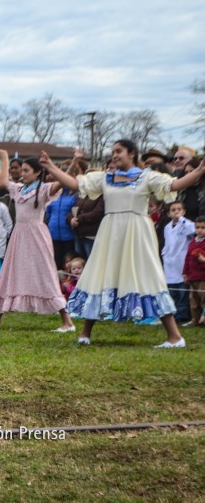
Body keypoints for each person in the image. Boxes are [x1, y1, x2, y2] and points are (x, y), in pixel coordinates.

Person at [41, 139, 205, 348]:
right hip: (110, 233)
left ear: (132, 153)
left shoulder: (147, 177)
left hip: (137, 233)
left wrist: (199, 171)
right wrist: (51, 167)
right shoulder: (105, 178)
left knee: (148, 277)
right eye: (113, 152)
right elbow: (75, 184)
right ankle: (85, 333)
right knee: (100, 275)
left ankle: (175, 337)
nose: (115, 155)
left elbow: (174, 184)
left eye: (119, 151)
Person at [0, 150, 76, 332]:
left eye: (26, 170)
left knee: (45, 274)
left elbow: (62, 182)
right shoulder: (18, 189)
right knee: (9, 272)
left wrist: (74, 161)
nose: (22, 173)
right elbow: (2, 181)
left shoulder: (44, 189)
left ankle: (67, 321)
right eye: (22, 170)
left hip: (37, 236)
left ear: (37, 172)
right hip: (19, 235)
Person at [161, 200, 195, 324]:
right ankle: (173, 315)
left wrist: (182, 219)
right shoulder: (167, 227)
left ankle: (182, 315)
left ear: (184, 211)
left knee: (182, 292)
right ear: (169, 213)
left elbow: (193, 230)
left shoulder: (186, 224)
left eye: (179, 209)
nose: (176, 212)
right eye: (173, 210)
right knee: (172, 292)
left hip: (181, 262)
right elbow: (167, 243)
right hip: (170, 263)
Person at [182, 215, 205, 326]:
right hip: (193, 277)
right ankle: (195, 319)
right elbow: (187, 258)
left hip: (203, 277)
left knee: (204, 299)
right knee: (193, 300)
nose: (199, 230)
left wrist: (203, 259)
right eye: (197, 227)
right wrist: (185, 272)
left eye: (203, 227)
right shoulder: (192, 242)